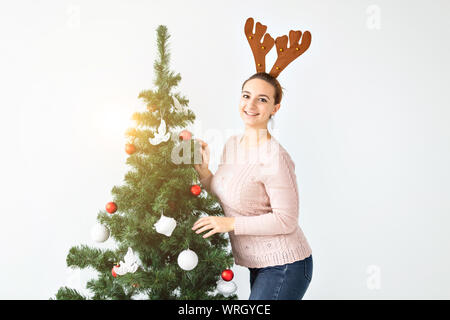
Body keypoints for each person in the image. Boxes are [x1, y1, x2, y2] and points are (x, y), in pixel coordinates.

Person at [192, 72, 313, 300]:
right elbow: (231, 196)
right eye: (246, 96)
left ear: (275, 108)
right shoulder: (232, 144)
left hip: (286, 265)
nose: (251, 104)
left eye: (262, 99)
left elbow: (286, 220)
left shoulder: (275, 158)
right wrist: (205, 172)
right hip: (259, 264)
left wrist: (229, 224)